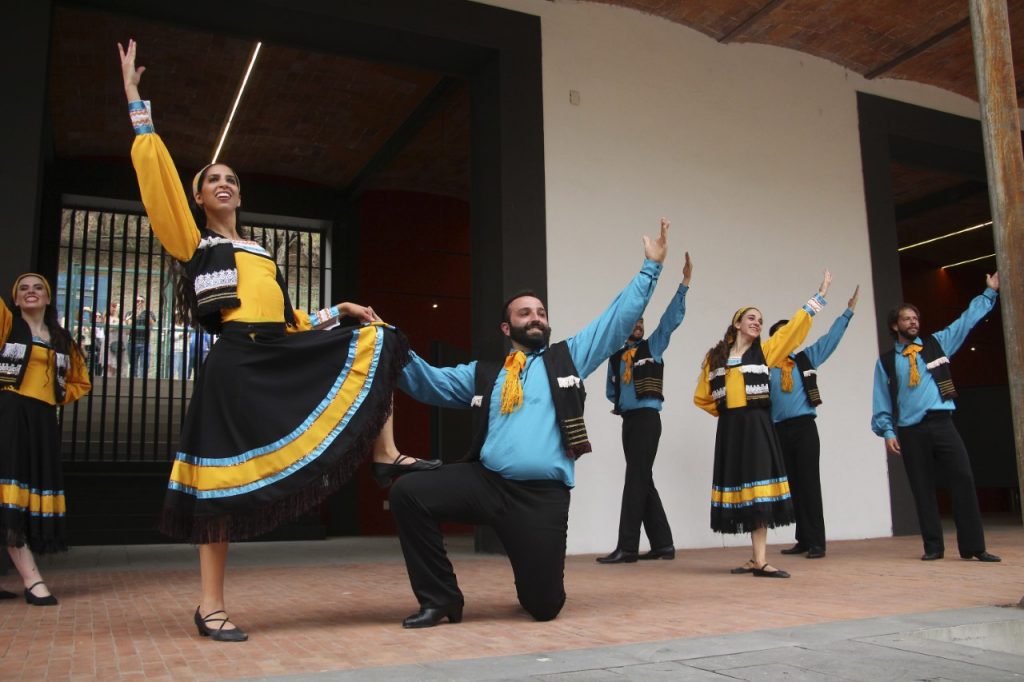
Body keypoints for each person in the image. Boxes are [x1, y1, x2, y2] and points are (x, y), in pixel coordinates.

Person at [119, 40, 438, 641]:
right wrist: (138, 105)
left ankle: (386, 454)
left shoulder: (261, 251)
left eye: (231, 179)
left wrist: (336, 310)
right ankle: (210, 606)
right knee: (217, 488)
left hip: (277, 349)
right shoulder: (194, 243)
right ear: (197, 197)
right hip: (235, 363)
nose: (223, 183)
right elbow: (157, 183)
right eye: (212, 179)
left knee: (376, 336)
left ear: (240, 195)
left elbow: (288, 320)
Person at [390, 218, 671, 628]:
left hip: (541, 497)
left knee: (543, 606)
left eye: (540, 312)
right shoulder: (484, 374)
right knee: (408, 493)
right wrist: (385, 340)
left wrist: (651, 268)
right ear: (507, 328)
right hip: (486, 483)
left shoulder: (568, 358)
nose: (535, 317)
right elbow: (426, 380)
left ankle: (534, 579)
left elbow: (615, 321)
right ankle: (441, 599)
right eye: (525, 313)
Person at [694, 271, 832, 579]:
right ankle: (755, 558)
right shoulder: (714, 358)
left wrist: (818, 298)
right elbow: (701, 396)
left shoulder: (765, 352)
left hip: (757, 426)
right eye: (751, 318)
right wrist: (730, 412)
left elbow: (793, 330)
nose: (757, 322)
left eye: (760, 320)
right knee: (743, 488)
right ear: (737, 324)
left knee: (758, 489)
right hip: (732, 429)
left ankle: (760, 559)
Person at [871, 274, 1001, 563]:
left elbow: (965, 322)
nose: (913, 322)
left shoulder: (937, 343)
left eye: (915, 318)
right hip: (910, 430)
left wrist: (989, 293)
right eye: (906, 319)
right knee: (922, 487)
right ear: (895, 326)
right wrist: (887, 432)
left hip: (942, 422)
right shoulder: (886, 361)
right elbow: (881, 399)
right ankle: (933, 547)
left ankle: (974, 547)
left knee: (963, 478)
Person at [0, 273, 92, 604]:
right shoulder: (8, 326)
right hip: (9, 413)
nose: (30, 292)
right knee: (9, 491)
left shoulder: (61, 338)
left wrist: (57, 394)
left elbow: (81, 381)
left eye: (37, 287)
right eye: (23, 288)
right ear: (15, 298)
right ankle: (32, 580)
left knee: (26, 492)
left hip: (42, 420)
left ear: (49, 297)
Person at [596, 251, 692, 564]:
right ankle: (663, 544)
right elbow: (611, 390)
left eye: (641, 321)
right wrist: (621, 405)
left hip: (648, 419)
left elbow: (670, 321)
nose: (639, 324)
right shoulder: (615, 356)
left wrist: (684, 285)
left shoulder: (653, 346)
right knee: (642, 478)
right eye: (634, 321)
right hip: (629, 420)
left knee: (635, 478)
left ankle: (627, 547)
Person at [769, 286, 858, 560]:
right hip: (779, 430)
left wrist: (847, 313)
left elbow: (830, 339)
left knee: (809, 483)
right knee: (792, 486)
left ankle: (817, 541)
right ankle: (803, 539)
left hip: (805, 427)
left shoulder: (806, 358)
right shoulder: (765, 366)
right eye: (781, 336)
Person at [126, 295, 155, 378]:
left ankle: (142, 382)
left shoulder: (148, 313)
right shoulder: (130, 313)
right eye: (137, 301)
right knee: (133, 365)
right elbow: (129, 325)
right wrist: (135, 315)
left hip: (145, 343)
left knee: (144, 365)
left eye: (142, 301)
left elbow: (152, 324)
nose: (139, 303)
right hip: (132, 342)